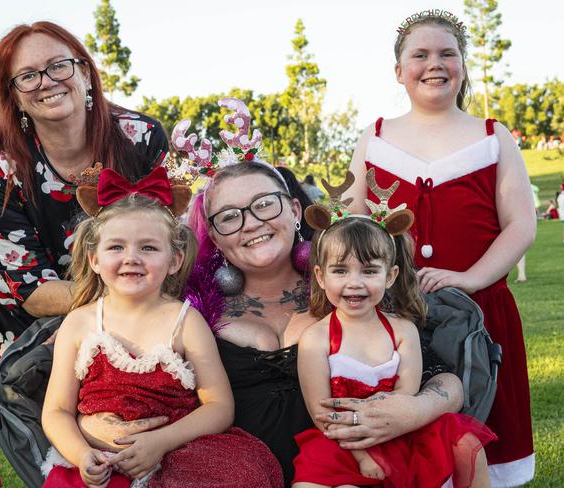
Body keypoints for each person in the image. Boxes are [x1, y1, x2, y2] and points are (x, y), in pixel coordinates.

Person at [78, 99, 465, 486]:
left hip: (356, 469)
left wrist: (415, 409)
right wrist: (89, 420)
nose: (251, 223)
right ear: (212, 234)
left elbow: (441, 376)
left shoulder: (351, 285)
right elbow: (121, 381)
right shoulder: (188, 307)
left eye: (265, 204)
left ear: (295, 210)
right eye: (229, 216)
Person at [345, 11, 535, 485]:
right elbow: (351, 224)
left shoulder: (493, 137)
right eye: (421, 55)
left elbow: (521, 224)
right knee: (407, 444)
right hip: (394, 315)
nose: (435, 64)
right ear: (399, 71)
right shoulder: (377, 137)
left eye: (447, 53)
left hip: (480, 311)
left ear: (463, 65)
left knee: (483, 442)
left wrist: (471, 277)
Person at [0, 21, 168, 437]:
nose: (46, 82)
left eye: (59, 66)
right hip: (36, 335)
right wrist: (127, 301)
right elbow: (36, 292)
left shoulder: (140, 137)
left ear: (85, 72)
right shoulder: (0, 170)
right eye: (28, 76)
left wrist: (134, 308)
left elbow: (167, 243)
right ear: (14, 96)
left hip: (136, 316)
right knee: (64, 455)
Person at [41, 168, 282, 487]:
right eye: (116, 247)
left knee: (242, 477)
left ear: (175, 260)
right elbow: (56, 410)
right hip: (99, 455)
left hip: (178, 450)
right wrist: (82, 455)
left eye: (148, 248)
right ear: (94, 258)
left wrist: (162, 441)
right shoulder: (80, 323)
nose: (131, 258)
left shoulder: (184, 321)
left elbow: (220, 406)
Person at [292, 213, 495, 487]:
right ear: (321, 276)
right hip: (344, 442)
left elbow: (406, 396)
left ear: (390, 276)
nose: (355, 282)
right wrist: (364, 456)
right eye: (340, 270)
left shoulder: (402, 331)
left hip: (400, 430)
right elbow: (323, 415)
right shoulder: (316, 339)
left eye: (369, 271)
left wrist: (387, 433)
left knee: (467, 443)